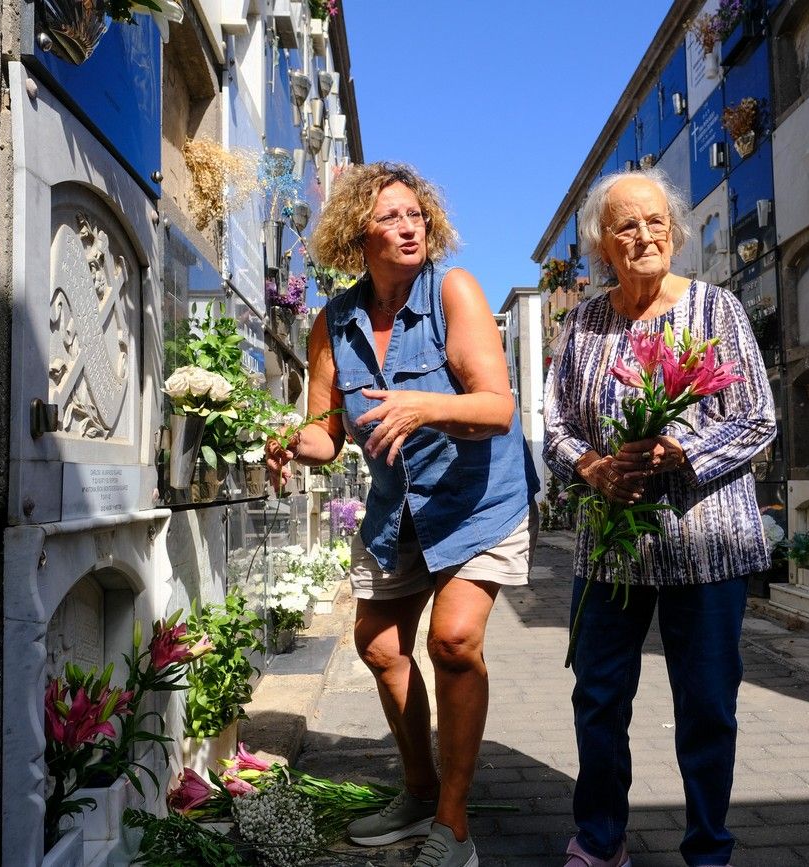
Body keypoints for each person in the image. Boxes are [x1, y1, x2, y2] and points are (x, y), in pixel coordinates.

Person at [267, 162, 539, 867]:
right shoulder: (335, 321)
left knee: (452, 641)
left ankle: (453, 823)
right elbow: (326, 434)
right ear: (358, 231)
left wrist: (428, 405)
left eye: (415, 214)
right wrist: (283, 441)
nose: (408, 225)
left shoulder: (454, 291)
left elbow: (497, 407)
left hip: (477, 499)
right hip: (399, 510)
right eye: (389, 216)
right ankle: (418, 789)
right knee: (381, 646)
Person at [543, 168, 776, 867]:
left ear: (672, 232)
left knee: (707, 706)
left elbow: (758, 418)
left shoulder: (717, 309)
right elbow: (555, 424)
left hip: (705, 547)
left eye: (654, 223)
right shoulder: (582, 322)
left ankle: (708, 848)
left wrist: (683, 450)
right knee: (600, 698)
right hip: (612, 551)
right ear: (602, 247)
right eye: (625, 226)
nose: (643, 235)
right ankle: (601, 838)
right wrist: (591, 466)